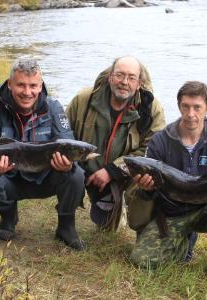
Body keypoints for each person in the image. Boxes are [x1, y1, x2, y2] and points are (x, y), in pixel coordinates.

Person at [130, 81, 207, 292]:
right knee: (142, 261)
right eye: (185, 106)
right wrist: (146, 189)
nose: (190, 113)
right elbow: (152, 193)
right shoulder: (160, 141)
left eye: (197, 107)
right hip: (172, 213)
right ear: (179, 106)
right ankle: (185, 242)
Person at [0, 57, 86, 251]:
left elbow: (67, 142)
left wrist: (68, 164)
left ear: (40, 86)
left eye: (33, 86)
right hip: (9, 179)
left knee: (76, 175)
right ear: (10, 84)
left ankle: (66, 226)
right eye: (21, 85)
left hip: (46, 178)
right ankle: (8, 216)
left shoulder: (54, 108)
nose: (27, 92)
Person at [66, 56, 166, 230]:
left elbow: (152, 153)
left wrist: (112, 170)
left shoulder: (152, 109)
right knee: (64, 173)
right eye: (119, 75)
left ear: (139, 83)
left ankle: (140, 224)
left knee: (149, 180)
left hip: (125, 175)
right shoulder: (83, 99)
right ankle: (65, 223)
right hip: (85, 171)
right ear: (110, 77)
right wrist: (72, 165)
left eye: (131, 77)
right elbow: (65, 135)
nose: (124, 82)